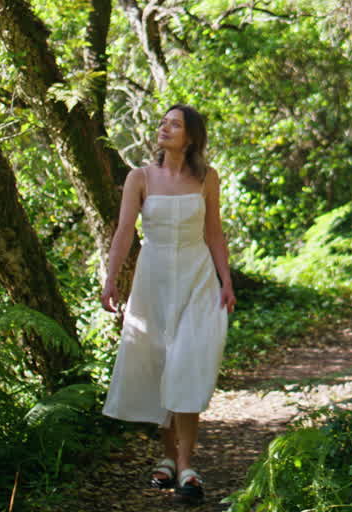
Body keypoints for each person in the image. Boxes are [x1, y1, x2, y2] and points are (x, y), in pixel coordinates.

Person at [100, 104, 236, 505]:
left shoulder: (207, 178)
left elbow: (214, 232)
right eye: (163, 122)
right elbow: (125, 231)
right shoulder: (139, 178)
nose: (165, 128)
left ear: (191, 136)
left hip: (197, 277)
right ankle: (166, 458)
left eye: (174, 125)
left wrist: (226, 281)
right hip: (153, 279)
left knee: (188, 363)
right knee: (161, 363)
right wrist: (110, 280)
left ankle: (187, 464)